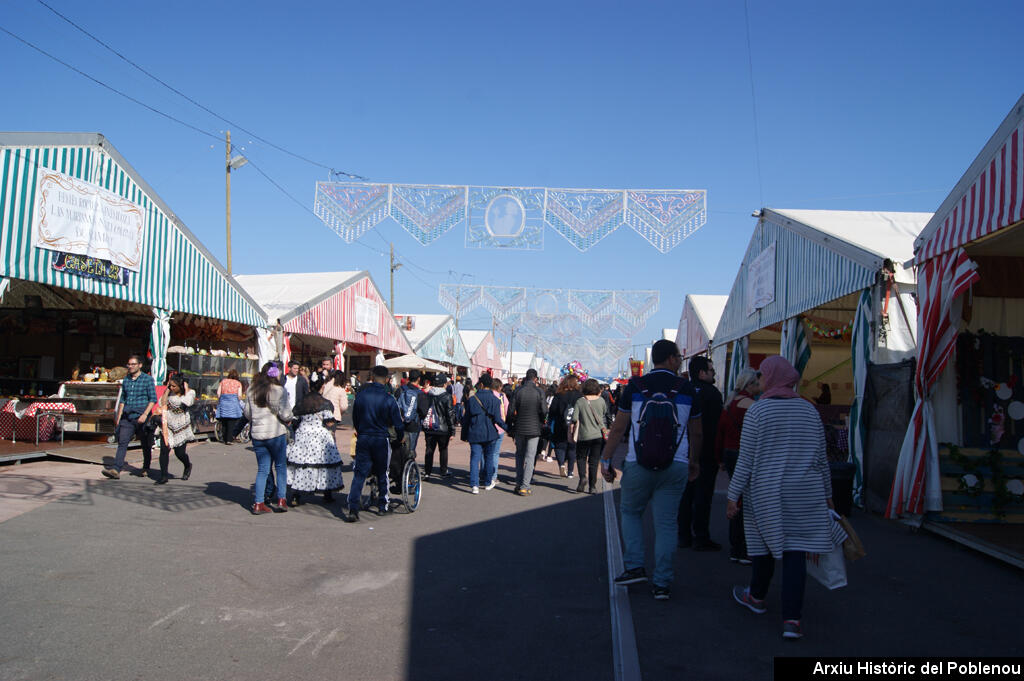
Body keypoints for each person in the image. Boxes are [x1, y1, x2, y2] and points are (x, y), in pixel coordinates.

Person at [729, 356, 838, 640]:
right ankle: (792, 620)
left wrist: (733, 494)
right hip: (805, 492)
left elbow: (746, 460)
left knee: (762, 547)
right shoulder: (809, 411)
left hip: (766, 493)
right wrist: (827, 495)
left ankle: (756, 596)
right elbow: (820, 460)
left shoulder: (758, 411)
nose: (760, 382)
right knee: (794, 554)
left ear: (772, 378)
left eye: (763, 376)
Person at [602, 340, 702, 601]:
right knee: (667, 523)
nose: (680, 360)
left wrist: (606, 460)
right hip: (676, 464)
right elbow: (697, 431)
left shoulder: (635, 386)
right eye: (678, 356)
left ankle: (635, 566)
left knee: (631, 513)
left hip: (638, 463)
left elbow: (619, 428)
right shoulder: (687, 388)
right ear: (670, 359)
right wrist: (694, 460)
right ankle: (662, 583)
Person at [345, 365, 405, 521]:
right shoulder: (388, 398)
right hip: (380, 438)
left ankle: (353, 508)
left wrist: (360, 429)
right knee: (382, 472)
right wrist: (400, 436)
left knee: (359, 473)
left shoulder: (361, 396)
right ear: (386, 380)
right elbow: (398, 423)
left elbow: (355, 418)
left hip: (364, 437)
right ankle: (382, 506)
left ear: (372, 377)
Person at [678, 356, 724, 551]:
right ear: (702, 372)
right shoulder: (712, 393)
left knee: (685, 495)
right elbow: (716, 426)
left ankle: (684, 535)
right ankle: (701, 536)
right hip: (706, 450)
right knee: (703, 496)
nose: (714, 374)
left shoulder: (683, 390)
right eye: (711, 370)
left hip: (683, 450)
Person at [716, 368, 762, 564]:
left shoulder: (730, 403)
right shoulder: (752, 406)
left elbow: (721, 432)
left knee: (737, 497)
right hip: (745, 454)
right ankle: (742, 547)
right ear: (750, 385)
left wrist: (720, 458)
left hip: (729, 452)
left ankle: (737, 546)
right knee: (746, 501)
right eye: (757, 383)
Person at [244, 362, 293, 515]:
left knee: (263, 469)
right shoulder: (279, 390)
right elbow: (286, 414)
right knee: (280, 467)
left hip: (258, 435)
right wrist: (289, 419)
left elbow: (247, 413)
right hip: (275, 433)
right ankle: (281, 500)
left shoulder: (251, 389)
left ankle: (258, 503)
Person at [103, 354, 156, 480]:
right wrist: (119, 416)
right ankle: (116, 469)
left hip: (142, 416)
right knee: (122, 442)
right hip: (127, 416)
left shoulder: (147, 379)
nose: (130, 366)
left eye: (133, 364)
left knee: (145, 444)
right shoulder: (126, 379)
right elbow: (123, 399)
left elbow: (153, 399)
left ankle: (146, 467)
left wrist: (145, 415)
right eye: (129, 364)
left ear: (140, 365)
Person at [286, 391, 344, 506]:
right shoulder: (324, 405)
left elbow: (294, 421)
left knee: (301, 464)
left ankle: (295, 496)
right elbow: (329, 422)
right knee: (325, 464)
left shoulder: (301, 405)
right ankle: (327, 494)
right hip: (320, 436)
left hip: (303, 435)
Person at [462, 373, 507, 494]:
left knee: (475, 458)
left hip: (474, 432)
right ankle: (487, 482)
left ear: (481, 384)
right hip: (490, 432)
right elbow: (498, 419)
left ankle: (474, 485)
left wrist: (463, 435)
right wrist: (507, 428)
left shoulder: (472, 399)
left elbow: (466, 419)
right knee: (489, 457)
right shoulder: (495, 400)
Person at [507, 368, 547, 496]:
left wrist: (511, 424)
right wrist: (540, 421)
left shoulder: (518, 390)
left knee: (519, 455)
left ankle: (519, 483)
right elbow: (544, 411)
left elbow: (510, 410)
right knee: (530, 457)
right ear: (535, 379)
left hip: (520, 426)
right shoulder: (539, 391)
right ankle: (525, 485)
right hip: (534, 427)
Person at [155, 375, 194, 484]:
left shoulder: (190, 393)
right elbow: (161, 403)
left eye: (174, 386)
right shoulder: (169, 393)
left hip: (181, 426)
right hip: (167, 424)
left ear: (181, 386)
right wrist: (167, 390)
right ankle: (163, 476)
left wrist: (186, 389)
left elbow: (188, 402)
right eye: (170, 385)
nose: (172, 388)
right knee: (164, 450)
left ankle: (187, 465)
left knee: (179, 453)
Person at [571, 378, 608, 494]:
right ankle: (592, 486)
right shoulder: (601, 400)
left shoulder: (580, 401)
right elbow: (604, 413)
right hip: (597, 435)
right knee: (594, 461)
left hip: (583, 434)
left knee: (581, 458)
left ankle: (582, 478)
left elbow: (574, 418)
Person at [420, 373, 456, 478]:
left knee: (429, 449)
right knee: (443, 449)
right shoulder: (447, 397)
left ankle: (427, 472)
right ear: (444, 384)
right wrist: (452, 430)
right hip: (443, 428)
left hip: (430, 426)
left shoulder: (428, 394)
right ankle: (443, 470)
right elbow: (449, 415)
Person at [549, 375, 583, 479]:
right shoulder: (579, 395)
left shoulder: (559, 394)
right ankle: (571, 471)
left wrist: (550, 420)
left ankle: (561, 465)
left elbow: (552, 410)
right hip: (574, 424)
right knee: (572, 447)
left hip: (560, 423)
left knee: (560, 446)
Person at [487, 377, 509, 488]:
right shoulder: (502, 396)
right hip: (499, 428)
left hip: (487, 427)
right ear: (499, 387)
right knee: (495, 453)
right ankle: (493, 476)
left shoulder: (487, 395)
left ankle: (485, 473)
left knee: (484, 452)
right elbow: (507, 410)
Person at [397, 369, 425, 458]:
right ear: (419, 379)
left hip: (399, 423)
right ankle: (409, 467)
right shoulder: (420, 393)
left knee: (399, 447)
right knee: (411, 449)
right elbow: (423, 411)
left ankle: (399, 467)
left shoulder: (400, 389)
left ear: (408, 378)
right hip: (413, 424)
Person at [320, 370, 349, 452]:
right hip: (333, 416)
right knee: (331, 437)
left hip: (322, 414)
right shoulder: (340, 389)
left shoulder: (325, 386)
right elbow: (344, 406)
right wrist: (339, 412)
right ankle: (332, 456)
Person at [216, 369, 244, 445]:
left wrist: (221, 399)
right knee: (232, 422)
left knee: (224, 421)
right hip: (233, 404)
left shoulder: (223, 381)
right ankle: (229, 439)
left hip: (223, 403)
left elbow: (218, 393)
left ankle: (224, 438)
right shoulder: (238, 383)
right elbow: (239, 396)